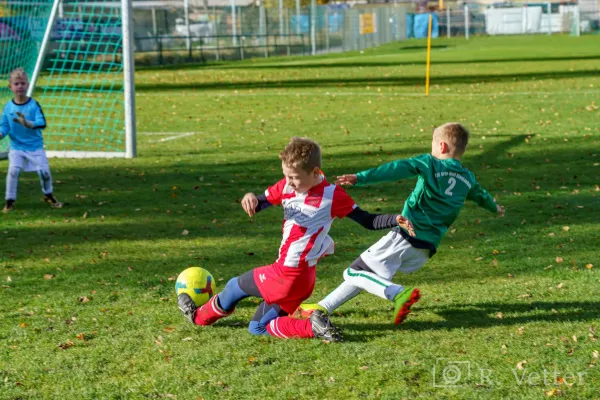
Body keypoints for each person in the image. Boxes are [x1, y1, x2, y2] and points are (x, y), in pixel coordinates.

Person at [177, 137, 415, 341]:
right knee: (257, 328)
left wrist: (395, 218)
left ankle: (198, 318)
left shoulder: (333, 195)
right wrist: (249, 197)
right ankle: (312, 327)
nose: (289, 183)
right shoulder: (288, 186)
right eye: (286, 176)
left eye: (294, 178)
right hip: (302, 282)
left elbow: (367, 220)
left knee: (234, 286)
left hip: (285, 275)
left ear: (315, 172)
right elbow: (259, 202)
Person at [296, 123, 505, 325]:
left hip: (405, 235)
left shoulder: (431, 163)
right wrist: (495, 207)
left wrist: (360, 177)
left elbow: (396, 168)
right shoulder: (467, 177)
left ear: (441, 146)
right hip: (427, 248)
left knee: (353, 272)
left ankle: (399, 294)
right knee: (368, 273)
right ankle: (323, 307)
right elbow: (481, 196)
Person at [0, 67, 62, 213]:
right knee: (13, 172)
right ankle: (9, 201)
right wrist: (1, 134)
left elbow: (42, 123)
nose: (20, 86)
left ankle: (48, 195)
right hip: (16, 147)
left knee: (44, 173)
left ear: (27, 85)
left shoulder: (34, 105)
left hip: (35, 147)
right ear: (10, 87)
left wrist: (27, 123)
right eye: (16, 84)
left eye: (22, 83)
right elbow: (4, 126)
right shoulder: (8, 107)